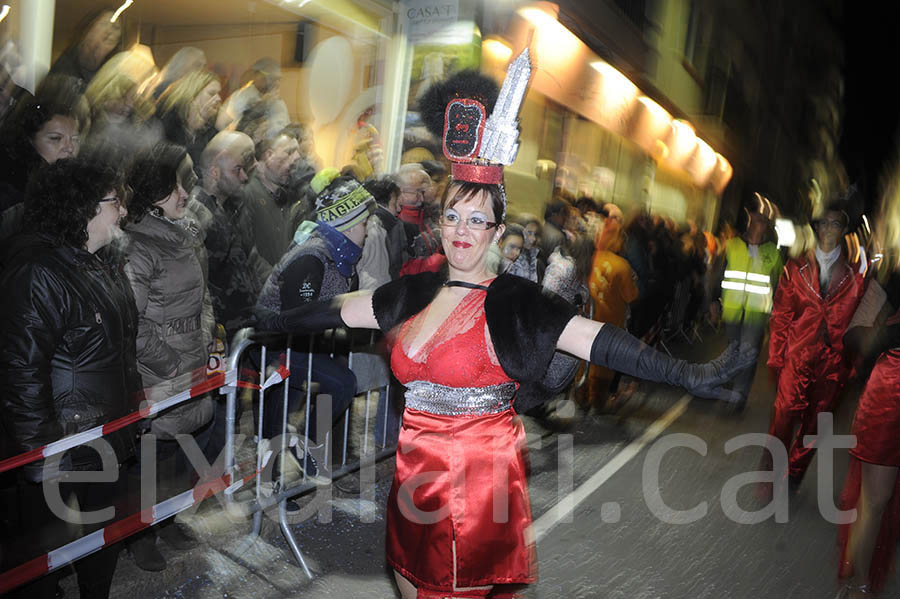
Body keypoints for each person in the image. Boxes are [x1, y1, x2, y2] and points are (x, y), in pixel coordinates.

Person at [258, 64, 749, 598]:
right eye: (452, 217)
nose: (462, 232)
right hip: (411, 486)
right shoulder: (416, 291)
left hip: (473, 496)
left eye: (477, 220)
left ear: (496, 228)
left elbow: (597, 339)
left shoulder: (516, 302)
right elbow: (343, 308)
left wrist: (687, 372)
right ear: (439, 221)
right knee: (405, 582)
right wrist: (272, 322)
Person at [0, 157, 137, 599]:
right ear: (83, 209)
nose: (124, 211)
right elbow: (21, 376)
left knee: (104, 536)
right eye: (116, 201)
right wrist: (43, 457)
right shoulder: (38, 273)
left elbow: (119, 350)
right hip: (63, 444)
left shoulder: (101, 263)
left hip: (107, 433)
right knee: (42, 561)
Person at [122, 143, 214, 570]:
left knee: (182, 445)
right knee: (152, 453)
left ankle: (168, 517)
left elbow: (203, 296)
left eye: (186, 183)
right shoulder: (137, 246)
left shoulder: (186, 232)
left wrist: (208, 337)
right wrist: (172, 365)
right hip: (160, 368)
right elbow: (133, 324)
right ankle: (139, 533)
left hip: (191, 356)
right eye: (175, 185)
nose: (185, 193)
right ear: (152, 191)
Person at [255, 170, 375, 478]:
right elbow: (296, 317)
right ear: (347, 226)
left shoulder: (343, 259)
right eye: (364, 222)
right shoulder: (312, 257)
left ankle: (295, 454)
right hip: (276, 345)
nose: (368, 229)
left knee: (334, 383)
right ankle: (278, 473)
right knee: (337, 383)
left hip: (305, 345)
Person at [763, 203, 864, 493]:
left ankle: (795, 469)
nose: (828, 230)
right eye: (823, 224)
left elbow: (862, 319)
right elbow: (781, 315)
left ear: (844, 231)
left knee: (816, 423)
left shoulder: (856, 274)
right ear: (816, 228)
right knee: (783, 413)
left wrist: (854, 361)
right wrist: (776, 356)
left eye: (835, 224)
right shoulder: (795, 267)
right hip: (798, 353)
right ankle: (772, 471)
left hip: (834, 361)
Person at [187, 130, 270, 339]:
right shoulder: (195, 214)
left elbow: (251, 258)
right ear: (216, 169)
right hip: (217, 331)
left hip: (243, 325)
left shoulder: (235, 209)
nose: (244, 177)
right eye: (237, 170)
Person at [712, 195, 784, 410]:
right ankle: (729, 386)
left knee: (748, 354)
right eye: (754, 219)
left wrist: (778, 314)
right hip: (732, 310)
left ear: (766, 225)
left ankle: (738, 396)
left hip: (757, 312)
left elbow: (779, 285)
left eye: (762, 221)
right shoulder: (732, 245)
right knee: (733, 351)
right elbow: (718, 275)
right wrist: (713, 302)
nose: (757, 224)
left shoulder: (773, 252)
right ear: (749, 220)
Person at [0, 75, 88, 240]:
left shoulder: (65, 185)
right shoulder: (13, 193)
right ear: (29, 141)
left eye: (75, 139)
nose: (69, 147)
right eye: (56, 138)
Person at [243, 129, 302, 266]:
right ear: (269, 155)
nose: (296, 157)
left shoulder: (284, 195)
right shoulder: (248, 194)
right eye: (289, 152)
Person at [156, 69, 222, 165]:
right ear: (193, 93)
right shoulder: (167, 121)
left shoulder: (211, 130)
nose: (219, 98)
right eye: (211, 94)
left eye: (218, 93)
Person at [49, 8, 120, 83]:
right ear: (88, 28)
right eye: (104, 24)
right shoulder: (64, 66)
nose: (109, 31)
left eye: (116, 28)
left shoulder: (111, 76)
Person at [506, 213, 541, 282]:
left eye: (535, 234)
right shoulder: (510, 255)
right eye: (529, 233)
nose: (533, 239)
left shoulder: (532, 255)